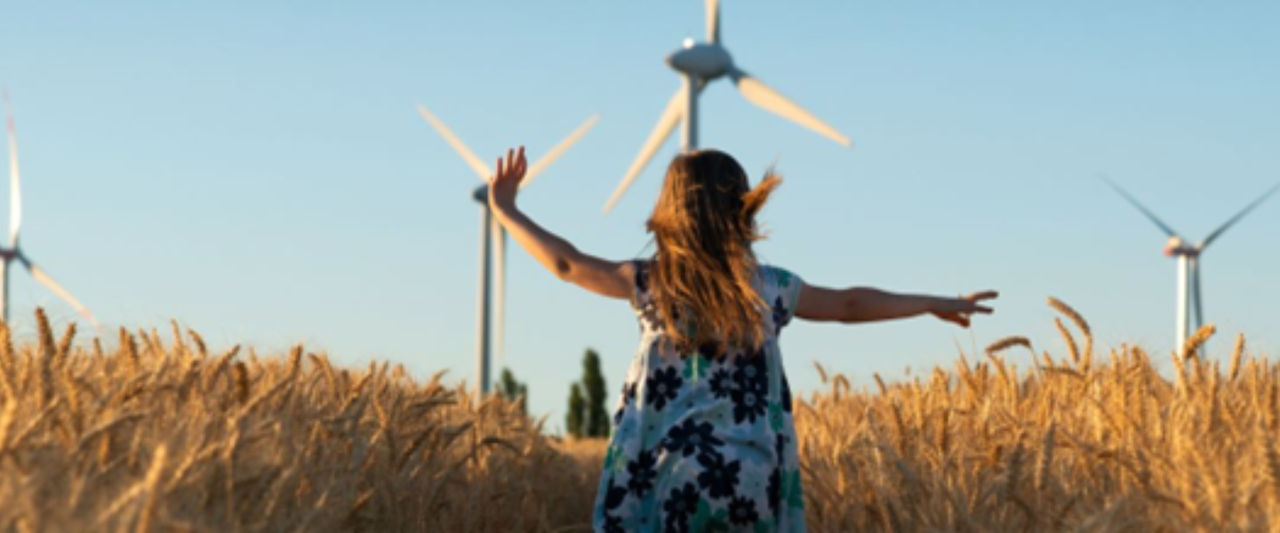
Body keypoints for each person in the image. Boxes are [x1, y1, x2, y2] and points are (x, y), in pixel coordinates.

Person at [488, 146, 996, 532]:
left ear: (669, 212)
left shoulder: (651, 283)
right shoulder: (769, 288)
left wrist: (506, 207)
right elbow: (849, 305)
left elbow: (566, 264)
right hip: (749, 476)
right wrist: (931, 302)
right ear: (742, 209)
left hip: (668, 474)